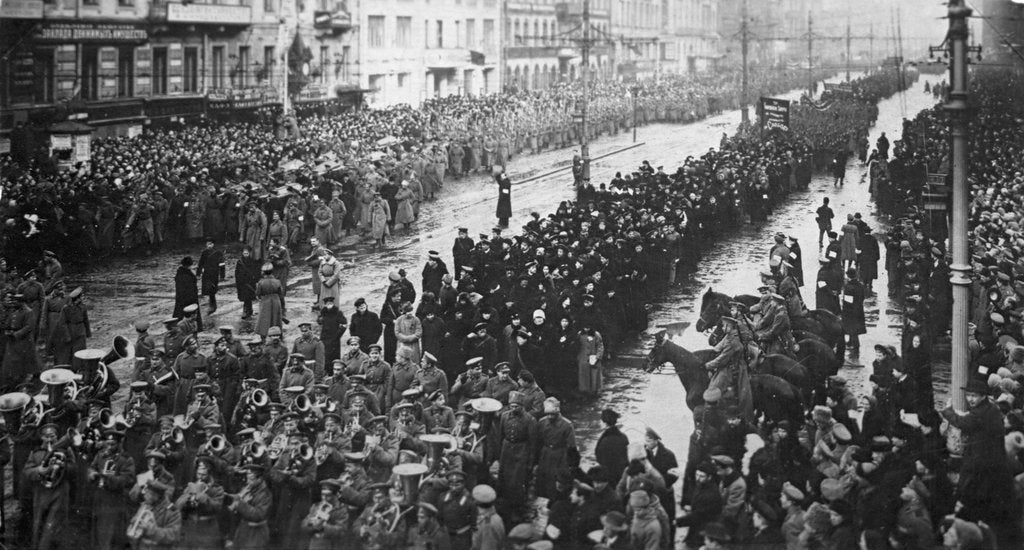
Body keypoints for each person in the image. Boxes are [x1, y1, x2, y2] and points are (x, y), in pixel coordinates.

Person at [255, 263, 285, 338]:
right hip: (276, 301)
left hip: (265, 301)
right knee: (275, 318)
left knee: (265, 319)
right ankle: (277, 333)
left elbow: (258, 293)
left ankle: (264, 334)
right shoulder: (277, 281)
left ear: (263, 272)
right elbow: (281, 294)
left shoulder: (261, 282)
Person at [196, 238, 225, 314]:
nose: (209, 245)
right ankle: (212, 304)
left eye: (210, 244)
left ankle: (212, 305)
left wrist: (222, 276)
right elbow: (200, 263)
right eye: (208, 244)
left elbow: (222, 264)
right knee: (208, 289)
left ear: (213, 244)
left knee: (212, 289)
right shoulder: (204, 253)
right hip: (206, 273)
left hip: (214, 273)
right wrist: (198, 274)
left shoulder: (218, 253)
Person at [841, 268, 866, 353]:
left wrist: (844, 311)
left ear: (848, 276)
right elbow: (863, 297)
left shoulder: (848, 287)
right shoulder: (860, 285)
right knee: (855, 327)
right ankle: (850, 341)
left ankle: (855, 345)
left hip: (850, 311)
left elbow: (848, 301)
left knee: (852, 328)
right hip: (859, 309)